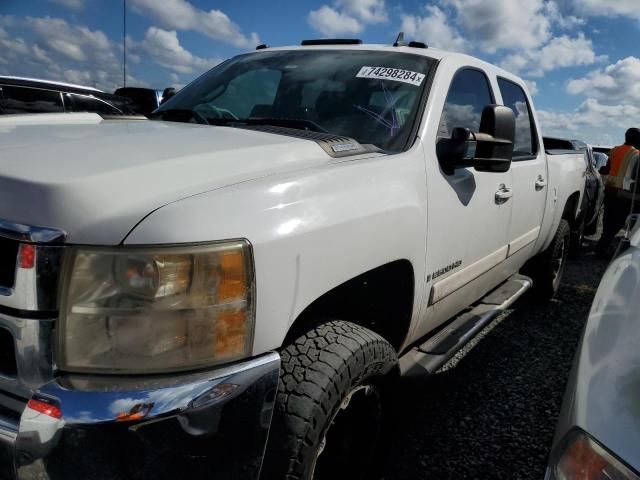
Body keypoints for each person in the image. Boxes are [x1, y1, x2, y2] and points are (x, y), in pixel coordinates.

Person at [596, 128, 640, 255]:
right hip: (623, 193)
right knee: (617, 222)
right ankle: (602, 248)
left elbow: (607, 169)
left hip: (610, 190)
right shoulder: (636, 154)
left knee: (608, 220)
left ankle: (603, 246)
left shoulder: (614, 150)